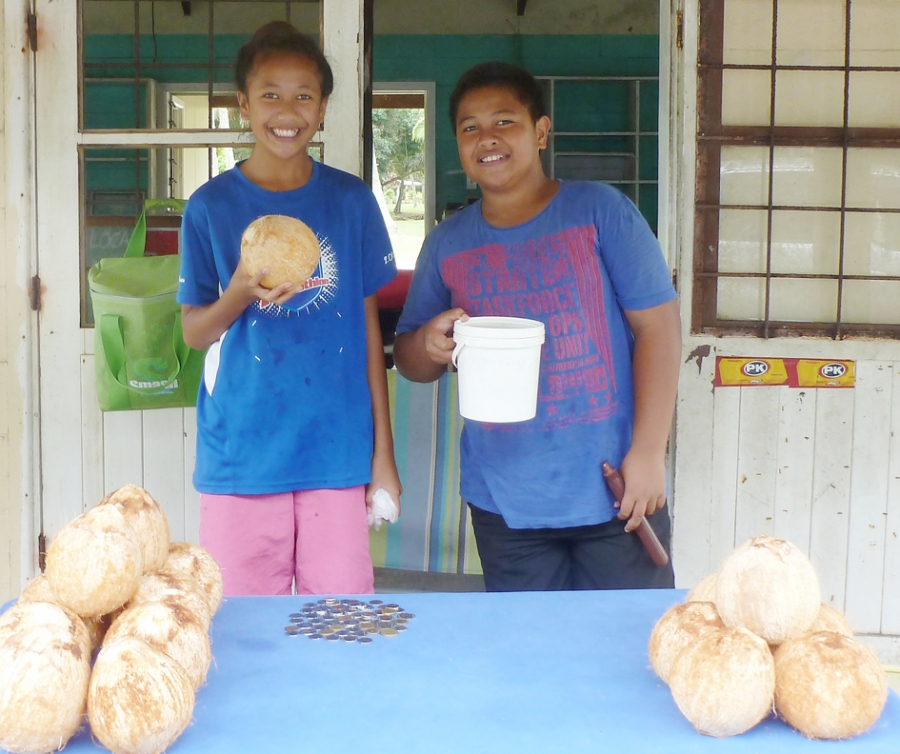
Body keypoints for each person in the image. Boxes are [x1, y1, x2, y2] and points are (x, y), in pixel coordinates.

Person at [393, 62, 681, 592]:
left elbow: (659, 331)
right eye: (470, 127)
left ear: (541, 131)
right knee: (532, 659)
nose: (488, 139)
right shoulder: (447, 241)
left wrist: (647, 453)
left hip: (615, 489)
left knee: (624, 651)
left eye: (505, 122)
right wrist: (428, 345)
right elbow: (411, 361)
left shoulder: (600, 212)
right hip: (506, 502)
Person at [177, 21, 401, 596]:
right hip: (243, 455)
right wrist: (238, 292)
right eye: (270, 94)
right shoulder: (210, 208)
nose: (287, 109)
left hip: (336, 449)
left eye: (304, 95)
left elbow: (369, 335)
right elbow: (195, 333)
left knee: (341, 625)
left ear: (323, 107)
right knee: (244, 635)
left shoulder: (351, 202)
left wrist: (384, 457)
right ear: (243, 105)